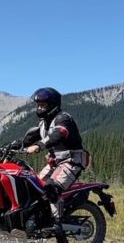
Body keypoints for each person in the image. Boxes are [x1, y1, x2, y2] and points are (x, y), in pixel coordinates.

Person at [22, 87, 89, 232]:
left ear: (52, 105)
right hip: (55, 163)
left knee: (51, 187)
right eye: (38, 105)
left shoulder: (63, 119)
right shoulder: (44, 123)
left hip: (71, 161)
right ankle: (40, 219)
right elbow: (29, 138)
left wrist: (39, 146)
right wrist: (11, 146)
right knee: (34, 187)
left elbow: (59, 134)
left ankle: (58, 222)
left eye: (43, 105)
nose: (39, 108)